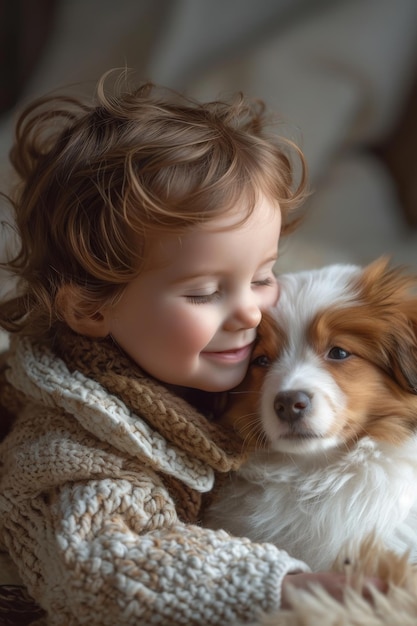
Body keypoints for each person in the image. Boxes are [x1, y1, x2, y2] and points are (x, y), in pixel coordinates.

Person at [0, 70, 379, 625]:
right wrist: (286, 588)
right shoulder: (70, 445)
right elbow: (105, 565)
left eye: (264, 275)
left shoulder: (182, 360)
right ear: (90, 309)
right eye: (205, 292)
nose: (253, 312)